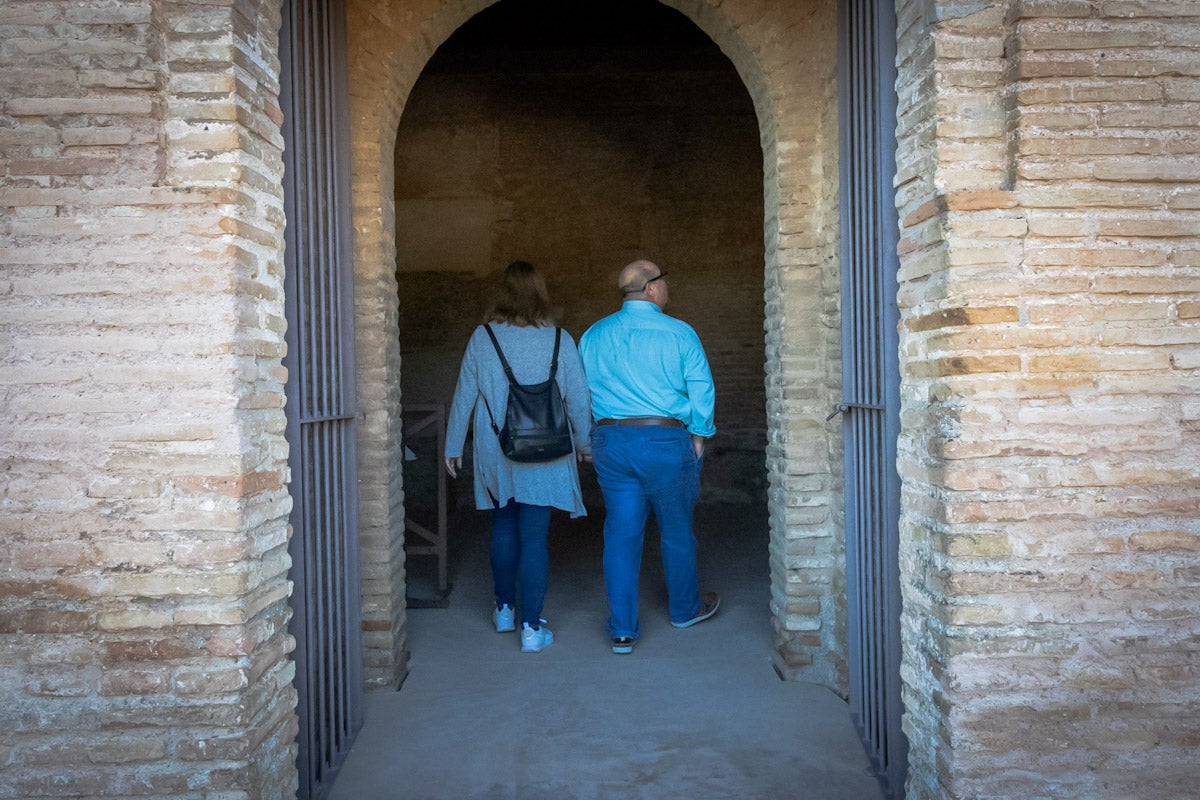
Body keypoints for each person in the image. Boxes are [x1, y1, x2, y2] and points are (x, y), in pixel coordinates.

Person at [444, 261, 592, 653]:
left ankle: (505, 609)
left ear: (502, 296)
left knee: (504, 526)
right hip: (548, 449)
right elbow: (578, 399)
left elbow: (465, 394)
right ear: (540, 295)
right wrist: (585, 443)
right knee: (534, 536)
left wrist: (453, 445)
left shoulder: (483, 337)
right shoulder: (561, 339)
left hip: (497, 449)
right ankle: (531, 629)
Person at [579, 259, 719, 655]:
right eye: (664, 281)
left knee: (621, 535)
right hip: (664, 440)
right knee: (676, 530)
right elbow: (701, 388)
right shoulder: (679, 332)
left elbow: (579, 391)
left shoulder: (593, 335)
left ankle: (622, 630)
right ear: (652, 288)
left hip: (611, 440)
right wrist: (700, 434)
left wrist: (587, 439)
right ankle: (685, 610)